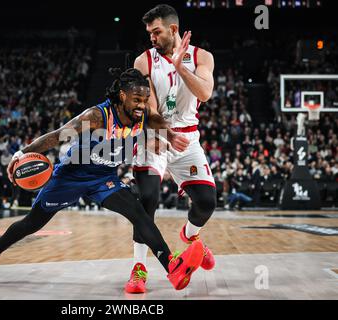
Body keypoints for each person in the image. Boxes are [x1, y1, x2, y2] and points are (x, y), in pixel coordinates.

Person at [0, 68, 205, 291]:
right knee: (31, 223)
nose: (142, 105)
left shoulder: (143, 114)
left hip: (103, 178)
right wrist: (21, 154)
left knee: (138, 212)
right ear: (122, 95)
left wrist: (170, 135)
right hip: (71, 176)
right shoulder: (96, 116)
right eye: (136, 99)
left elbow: (157, 120)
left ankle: (172, 266)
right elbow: (57, 136)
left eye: (144, 99)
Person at [129, 4, 216, 293]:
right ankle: (138, 269)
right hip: (155, 136)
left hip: (188, 139)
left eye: (156, 32)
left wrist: (180, 67)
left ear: (173, 29)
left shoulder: (202, 56)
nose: (152, 37)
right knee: (148, 198)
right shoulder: (144, 61)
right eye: (149, 33)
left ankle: (190, 238)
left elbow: (205, 92)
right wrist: (162, 133)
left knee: (206, 202)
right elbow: (149, 108)